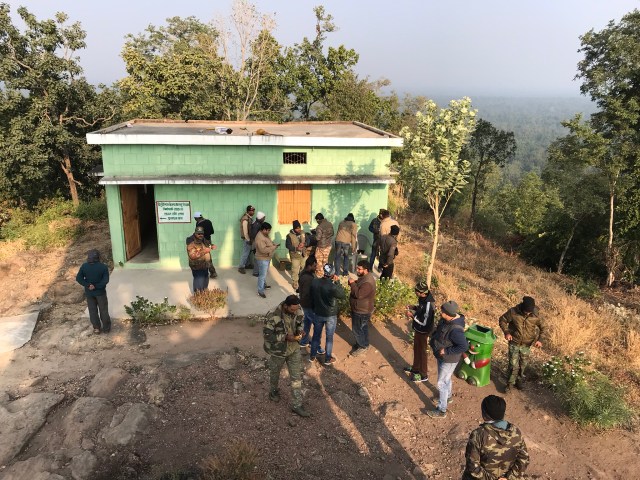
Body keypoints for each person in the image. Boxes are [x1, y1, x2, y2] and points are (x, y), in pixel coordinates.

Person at [263, 295, 310, 418]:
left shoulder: (298, 310)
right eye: (292, 310)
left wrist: (300, 331)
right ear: (285, 306)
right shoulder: (272, 315)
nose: (295, 312)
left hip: (294, 349)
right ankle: (273, 392)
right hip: (278, 352)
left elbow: (300, 322)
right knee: (275, 373)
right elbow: (267, 336)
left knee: (296, 377)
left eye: (296, 309)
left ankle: (297, 405)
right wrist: (284, 337)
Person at [462, 395, 529, 480]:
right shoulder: (515, 432)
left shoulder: (478, 435)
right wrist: (509, 478)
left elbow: (473, 467)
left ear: (484, 415)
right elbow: (524, 459)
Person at [427, 301, 467, 418]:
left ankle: (441, 410)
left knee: (441, 383)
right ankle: (448, 397)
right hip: (443, 357)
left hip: (448, 359)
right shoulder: (449, 320)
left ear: (449, 314)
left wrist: (447, 351)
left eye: (443, 312)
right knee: (446, 379)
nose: (441, 313)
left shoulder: (455, 330)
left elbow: (463, 346)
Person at [499, 296, 545, 393]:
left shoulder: (536, 315)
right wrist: (506, 332)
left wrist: (540, 340)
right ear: (522, 307)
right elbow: (502, 320)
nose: (528, 313)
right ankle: (510, 384)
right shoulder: (513, 312)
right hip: (514, 342)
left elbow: (543, 328)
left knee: (523, 365)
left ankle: (519, 381)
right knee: (513, 365)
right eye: (526, 311)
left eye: (529, 312)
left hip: (526, 345)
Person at [310, 264, 345, 365]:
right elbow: (342, 295)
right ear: (333, 274)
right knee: (329, 337)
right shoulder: (333, 286)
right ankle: (327, 358)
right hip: (330, 315)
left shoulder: (315, 282)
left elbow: (312, 295)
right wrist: (338, 282)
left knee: (316, 335)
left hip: (318, 313)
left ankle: (312, 356)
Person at [403, 281, 436, 383]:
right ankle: (415, 368)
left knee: (422, 352)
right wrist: (414, 307)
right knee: (416, 349)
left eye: (416, 291)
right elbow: (421, 308)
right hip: (418, 330)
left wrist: (412, 315)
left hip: (423, 331)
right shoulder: (423, 298)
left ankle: (424, 374)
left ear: (422, 292)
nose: (415, 292)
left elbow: (424, 322)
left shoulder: (428, 305)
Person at [76, 249, 111, 334]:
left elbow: (78, 278)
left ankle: (96, 328)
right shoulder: (103, 267)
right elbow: (105, 280)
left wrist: (88, 285)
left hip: (89, 293)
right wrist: (96, 286)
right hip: (100, 293)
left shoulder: (84, 266)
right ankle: (106, 328)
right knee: (103, 310)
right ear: (98, 257)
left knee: (92, 311)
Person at [348, 260, 376, 356]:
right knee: (363, 328)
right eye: (357, 268)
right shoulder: (365, 277)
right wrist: (355, 282)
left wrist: (352, 284)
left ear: (366, 270)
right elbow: (360, 284)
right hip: (361, 309)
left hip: (361, 311)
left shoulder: (368, 282)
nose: (357, 270)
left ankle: (362, 347)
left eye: (359, 269)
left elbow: (358, 294)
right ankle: (364, 343)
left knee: (357, 329)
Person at [297, 256, 325, 356]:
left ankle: (304, 341)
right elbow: (307, 294)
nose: (316, 267)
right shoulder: (308, 278)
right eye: (314, 265)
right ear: (309, 265)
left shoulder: (305, 273)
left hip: (305, 304)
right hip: (309, 305)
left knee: (307, 322)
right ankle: (316, 346)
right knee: (318, 326)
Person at [187, 225, 217, 293]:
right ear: (195, 233)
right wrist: (204, 251)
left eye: (202, 233)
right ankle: (198, 296)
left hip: (205, 265)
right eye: (199, 233)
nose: (201, 235)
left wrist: (212, 246)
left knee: (205, 280)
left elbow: (208, 244)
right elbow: (192, 256)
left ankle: (204, 292)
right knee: (199, 282)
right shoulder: (191, 242)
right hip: (197, 266)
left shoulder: (203, 239)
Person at [255, 222, 279, 298]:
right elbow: (263, 250)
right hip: (262, 258)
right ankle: (260, 291)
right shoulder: (260, 238)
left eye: (269, 230)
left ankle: (264, 285)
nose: (269, 232)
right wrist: (273, 247)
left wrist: (273, 244)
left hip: (267, 258)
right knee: (262, 275)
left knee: (264, 273)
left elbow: (269, 243)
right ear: (263, 230)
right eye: (268, 230)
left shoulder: (265, 235)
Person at [192, 212, 217, 278]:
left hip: (202, 241)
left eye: (195, 218)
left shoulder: (198, 224)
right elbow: (212, 232)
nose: (195, 220)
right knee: (207, 256)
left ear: (196, 218)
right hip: (208, 240)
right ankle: (212, 272)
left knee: (204, 257)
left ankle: (211, 272)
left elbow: (197, 234)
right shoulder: (208, 221)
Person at [285, 220, 309, 290]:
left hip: (303, 254)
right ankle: (295, 282)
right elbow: (288, 245)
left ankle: (302, 280)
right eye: (297, 228)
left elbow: (308, 240)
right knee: (295, 270)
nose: (299, 229)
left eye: (299, 227)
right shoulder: (289, 236)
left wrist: (304, 244)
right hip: (295, 256)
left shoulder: (303, 233)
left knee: (303, 268)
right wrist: (296, 248)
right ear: (294, 228)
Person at [313, 213, 334, 277]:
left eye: (316, 221)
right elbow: (332, 233)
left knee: (319, 260)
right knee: (325, 260)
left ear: (318, 219)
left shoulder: (319, 227)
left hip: (321, 246)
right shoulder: (329, 224)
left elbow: (317, 238)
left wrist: (314, 233)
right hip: (329, 245)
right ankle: (326, 274)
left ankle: (320, 275)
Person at [238, 205, 255, 274]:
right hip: (247, 238)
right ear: (248, 211)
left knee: (247, 252)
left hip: (248, 238)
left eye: (253, 210)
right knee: (245, 253)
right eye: (252, 210)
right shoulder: (245, 219)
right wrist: (248, 240)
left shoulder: (249, 218)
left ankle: (247, 264)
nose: (253, 212)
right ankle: (241, 267)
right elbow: (245, 231)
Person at [250, 211, 266, 277]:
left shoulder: (257, 223)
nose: (264, 219)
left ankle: (257, 271)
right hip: (256, 243)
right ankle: (256, 272)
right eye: (264, 218)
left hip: (256, 243)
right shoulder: (257, 225)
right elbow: (254, 235)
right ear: (260, 218)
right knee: (257, 258)